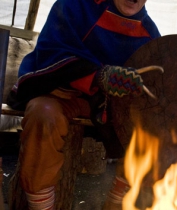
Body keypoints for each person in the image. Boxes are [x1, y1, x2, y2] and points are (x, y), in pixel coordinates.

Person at [7, 0, 161, 209]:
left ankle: (115, 203)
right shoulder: (74, 5)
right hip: (61, 94)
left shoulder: (150, 34)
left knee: (156, 126)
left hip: (107, 107)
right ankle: (42, 206)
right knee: (42, 115)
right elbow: (51, 51)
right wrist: (99, 76)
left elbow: (152, 88)